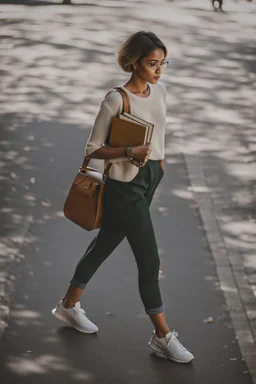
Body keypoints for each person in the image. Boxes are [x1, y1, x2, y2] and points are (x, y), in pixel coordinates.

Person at [52, 31, 194, 364]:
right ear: (133, 63)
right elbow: (92, 150)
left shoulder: (160, 92)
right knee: (150, 260)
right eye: (152, 63)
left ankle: (69, 305)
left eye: (162, 63)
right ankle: (162, 335)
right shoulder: (116, 99)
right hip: (124, 187)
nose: (159, 70)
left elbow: (159, 132)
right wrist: (129, 151)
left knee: (106, 242)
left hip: (150, 179)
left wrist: (159, 163)